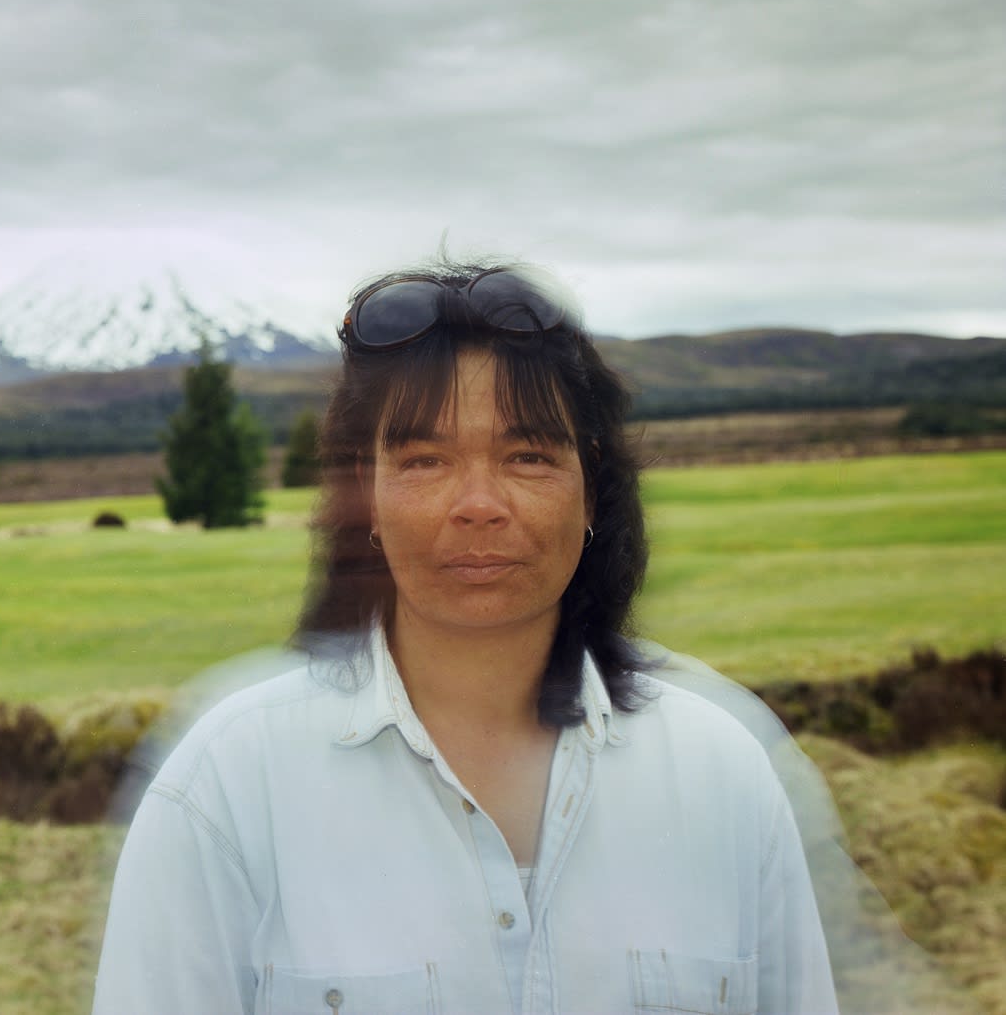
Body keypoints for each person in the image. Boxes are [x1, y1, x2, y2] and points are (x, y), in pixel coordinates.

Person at [94, 261, 839, 1015]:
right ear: (370, 496)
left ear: (592, 487)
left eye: (528, 456)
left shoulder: (728, 774)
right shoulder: (224, 787)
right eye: (425, 460)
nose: (478, 505)